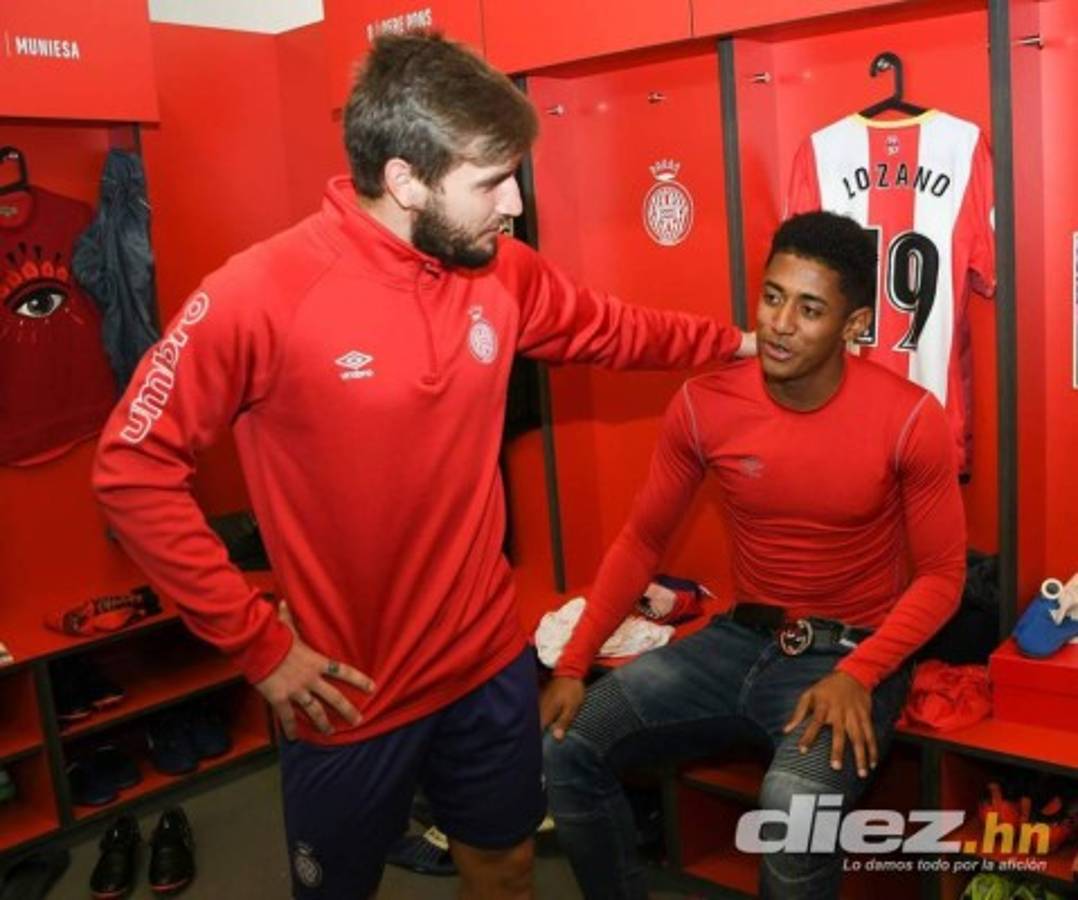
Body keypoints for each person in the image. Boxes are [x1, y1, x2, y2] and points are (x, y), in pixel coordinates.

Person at [91, 32, 753, 900]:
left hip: (483, 662)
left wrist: (740, 342)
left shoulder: (500, 272)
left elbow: (614, 328)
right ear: (404, 180)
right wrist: (259, 647)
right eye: (490, 181)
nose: (514, 201)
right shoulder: (262, 293)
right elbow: (130, 468)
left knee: (508, 868)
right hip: (348, 691)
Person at [540, 211, 966, 900]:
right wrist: (573, 662)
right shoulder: (705, 403)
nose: (779, 324)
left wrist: (861, 673)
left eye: (809, 308)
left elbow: (944, 576)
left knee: (794, 811)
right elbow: (642, 541)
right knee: (568, 742)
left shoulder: (910, 417)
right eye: (772, 297)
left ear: (854, 324)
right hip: (736, 641)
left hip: (847, 657)